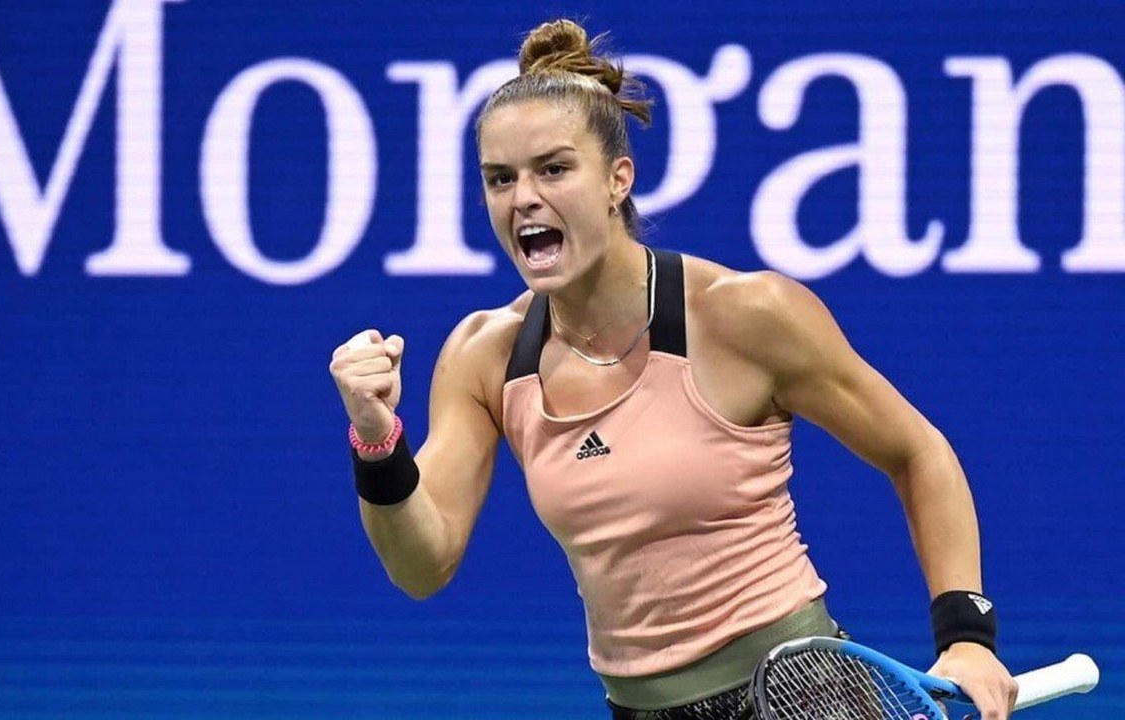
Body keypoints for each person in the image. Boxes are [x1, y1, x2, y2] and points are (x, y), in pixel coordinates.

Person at [330, 18, 1017, 720]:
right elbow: (423, 565)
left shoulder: (744, 315)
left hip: (802, 696)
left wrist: (967, 636)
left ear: (617, 179)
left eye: (554, 169)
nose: (523, 198)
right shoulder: (486, 357)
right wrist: (377, 442)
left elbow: (917, 452)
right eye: (499, 179)